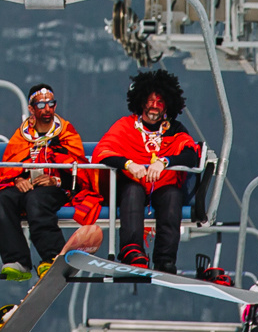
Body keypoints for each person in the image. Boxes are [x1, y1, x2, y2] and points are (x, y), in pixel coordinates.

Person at [67, 69, 206, 272]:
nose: (154, 107)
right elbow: (103, 152)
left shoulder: (175, 129)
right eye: (149, 101)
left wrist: (164, 162)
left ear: (167, 105)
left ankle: (165, 259)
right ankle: (132, 251)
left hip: (163, 184)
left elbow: (190, 153)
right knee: (132, 191)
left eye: (159, 102)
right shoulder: (126, 125)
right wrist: (128, 164)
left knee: (172, 196)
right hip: (132, 185)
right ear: (140, 102)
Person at [0, 84, 95, 279]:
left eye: (51, 104)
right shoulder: (21, 135)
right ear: (31, 108)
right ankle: (17, 261)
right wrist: (18, 179)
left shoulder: (66, 132)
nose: (47, 109)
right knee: (0, 200)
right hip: (25, 186)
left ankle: (52, 257)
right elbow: (9, 166)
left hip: (57, 188)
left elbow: (78, 170)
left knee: (35, 200)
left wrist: (55, 180)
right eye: (41, 104)